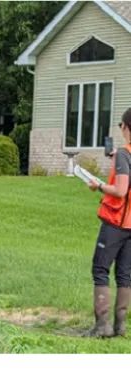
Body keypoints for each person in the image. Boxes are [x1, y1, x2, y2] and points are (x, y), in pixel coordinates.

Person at [86, 108, 131, 338]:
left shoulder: (125, 153)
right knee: (125, 274)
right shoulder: (123, 155)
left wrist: (99, 186)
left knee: (100, 269)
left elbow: (121, 190)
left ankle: (102, 325)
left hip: (116, 222)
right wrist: (119, 159)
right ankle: (120, 326)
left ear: (124, 126)